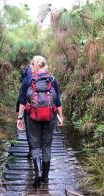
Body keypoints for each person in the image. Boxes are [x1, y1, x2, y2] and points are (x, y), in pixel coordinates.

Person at [17, 55, 63, 188]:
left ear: (35, 66)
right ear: (45, 66)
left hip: (32, 117)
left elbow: (22, 101)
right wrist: (61, 117)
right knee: (46, 146)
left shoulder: (28, 80)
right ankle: (45, 177)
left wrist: (19, 118)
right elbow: (58, 101)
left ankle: (37, 172)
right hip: (50, 117)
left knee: (35, 145)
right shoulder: (52, 80)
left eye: (32, 65)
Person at [16, 64, 33, 157]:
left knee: (29, 131)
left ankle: (31, 151)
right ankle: (39, 150)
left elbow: (21, 101)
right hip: (44, 110)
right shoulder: (47, 78)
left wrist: (19, 117)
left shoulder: (26, 80)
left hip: (29, 109)